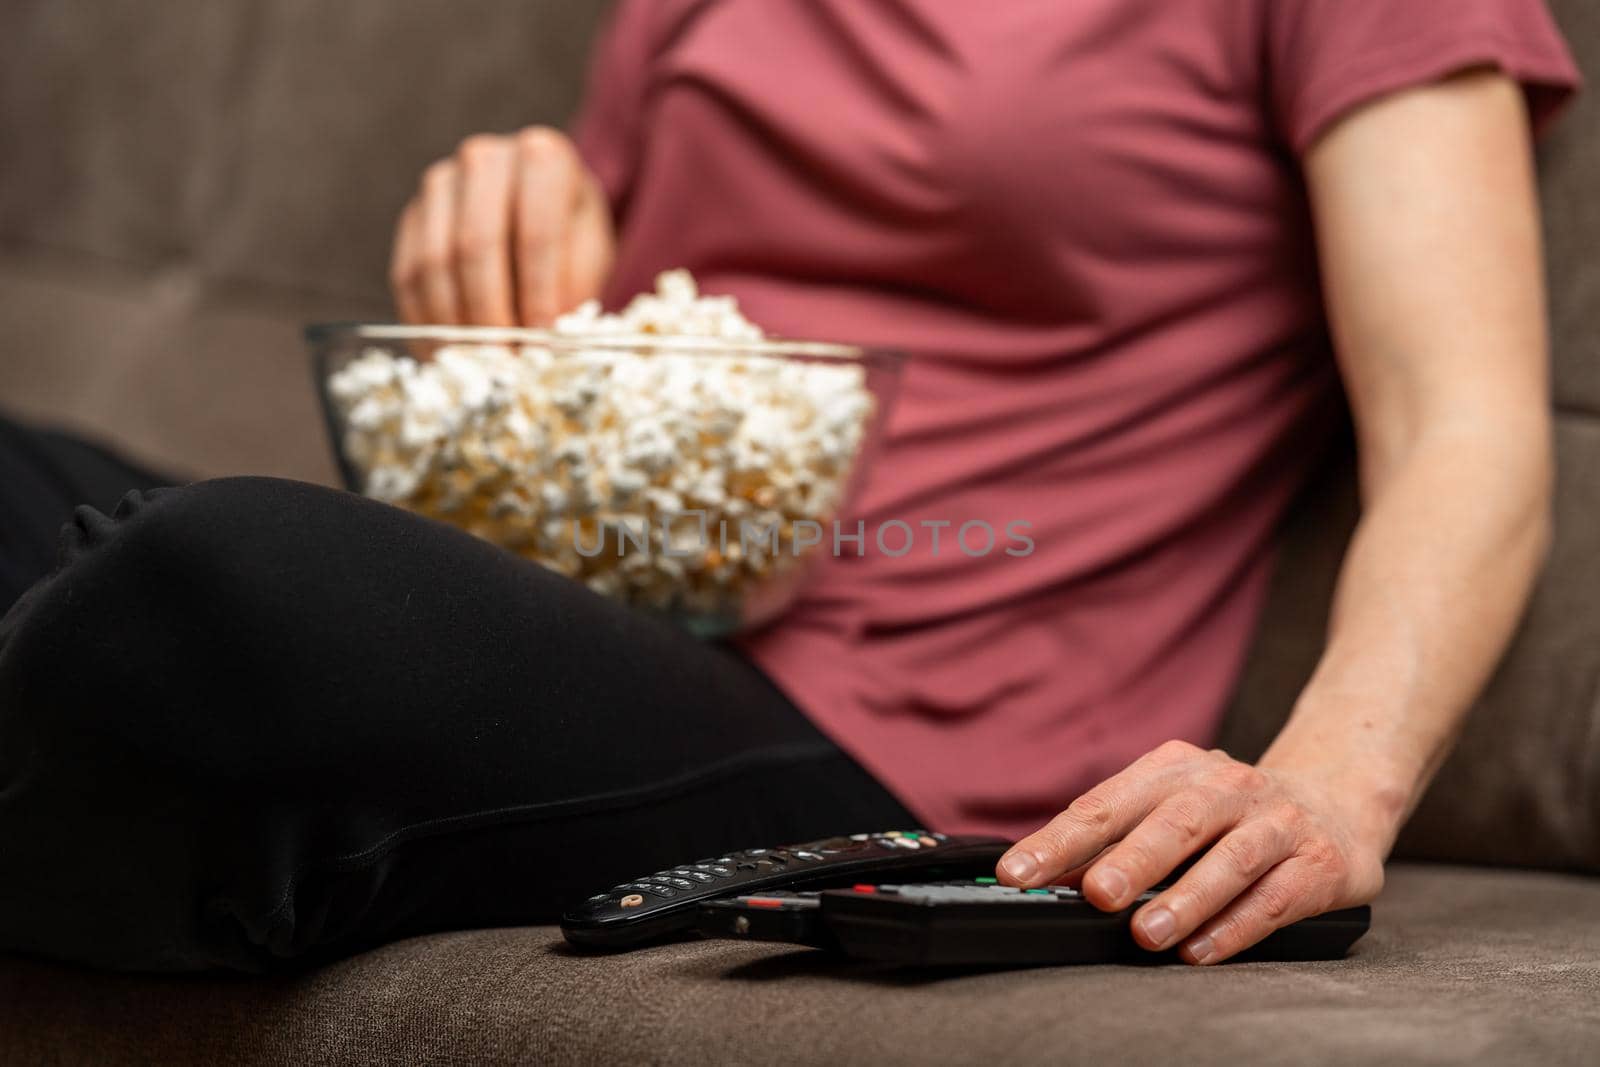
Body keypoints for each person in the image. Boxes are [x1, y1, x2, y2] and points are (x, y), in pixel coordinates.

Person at [0, 0, 1580, 973]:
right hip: (613, 602)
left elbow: (1466, 419)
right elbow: (603, 346)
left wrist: (1327, 785)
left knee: (221, 580)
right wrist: (523, 204)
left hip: (903, 755)